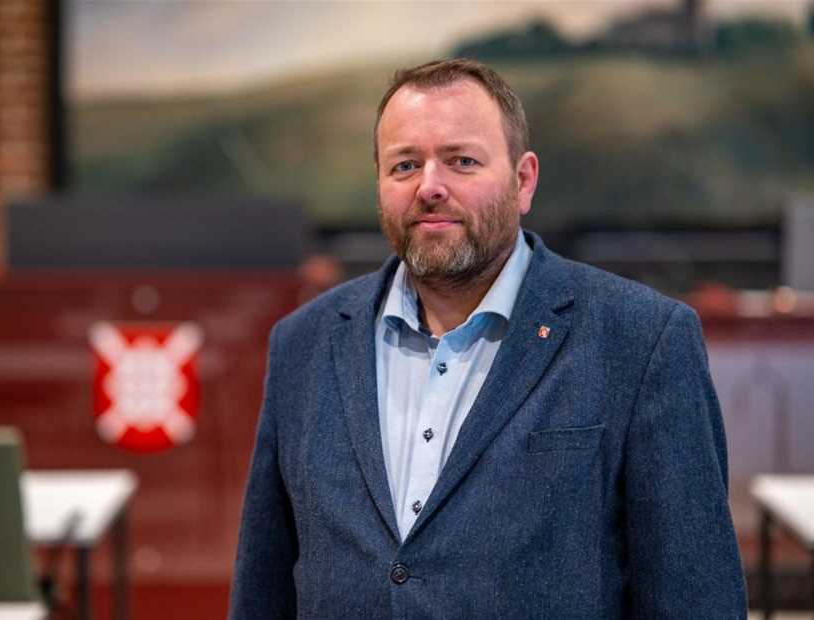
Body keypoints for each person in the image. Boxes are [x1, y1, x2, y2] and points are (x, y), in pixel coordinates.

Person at [230, 58, 747, 619]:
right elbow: (263, 590)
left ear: (523, 181)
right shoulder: (303, 344)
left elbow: (698, 600)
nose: (430, 186)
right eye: (405, 165)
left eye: (462, 161)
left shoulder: (642, 341)